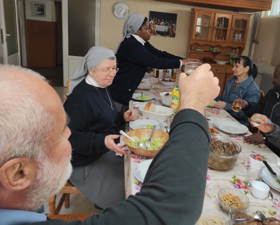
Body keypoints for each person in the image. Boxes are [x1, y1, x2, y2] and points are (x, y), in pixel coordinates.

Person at [0, 63, 219, 224]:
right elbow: (168, 210)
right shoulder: (83, 97)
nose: (69, 133)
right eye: (60, 133)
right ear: (19, 173)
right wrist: (192, 104)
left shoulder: (102, 89)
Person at [63, 47, 137, 209]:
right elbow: (71, 139)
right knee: (127, 185)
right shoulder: (80, 99)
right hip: (83, 162)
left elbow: (102, 118)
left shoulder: (101, 86)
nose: (112, 73)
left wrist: (121, 117)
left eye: (114, 68)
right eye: (106, 69)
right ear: (91, 70)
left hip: (99, 149)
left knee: (132, 167)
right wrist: (102, 140)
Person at [110, 13, 195, 107]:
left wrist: (184, 60)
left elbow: (160, 54)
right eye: (146, 28)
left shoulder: (142, 43)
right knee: (120, 117)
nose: (150, 31)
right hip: (119, 91)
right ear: (137, 31)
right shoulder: (131, 44)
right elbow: (155, 61)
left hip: (126, 89)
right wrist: (181, 62)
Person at [213, 56, 260, 126]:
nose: (233, 69)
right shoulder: (232, 80)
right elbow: (224, 97)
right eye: (233, 66)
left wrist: (226, 106)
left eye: (236, 66)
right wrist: (211, 97)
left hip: (237, 124)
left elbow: (245, 114)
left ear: (246, 69)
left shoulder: (254, 90)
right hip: (223, 116)